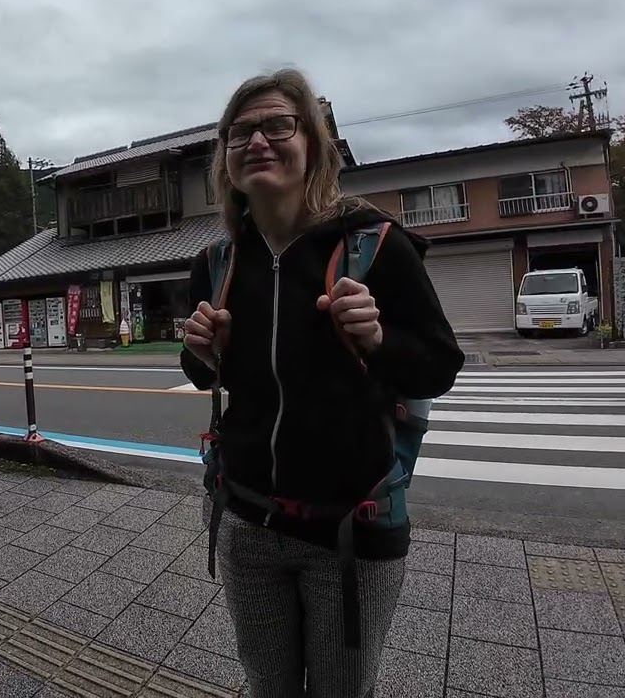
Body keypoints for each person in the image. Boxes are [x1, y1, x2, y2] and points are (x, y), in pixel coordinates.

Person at [181, 68, 464, 698]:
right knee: (268, 689)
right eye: (241, 131)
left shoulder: (376, 245)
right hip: (247, 520)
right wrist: (203, 351)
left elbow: (441, 365)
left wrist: (379, 341)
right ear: (225, 158)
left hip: (352, 529)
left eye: (278, 124)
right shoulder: (216, 263)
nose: (258, 140)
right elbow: (203, 376)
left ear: (311, 142)